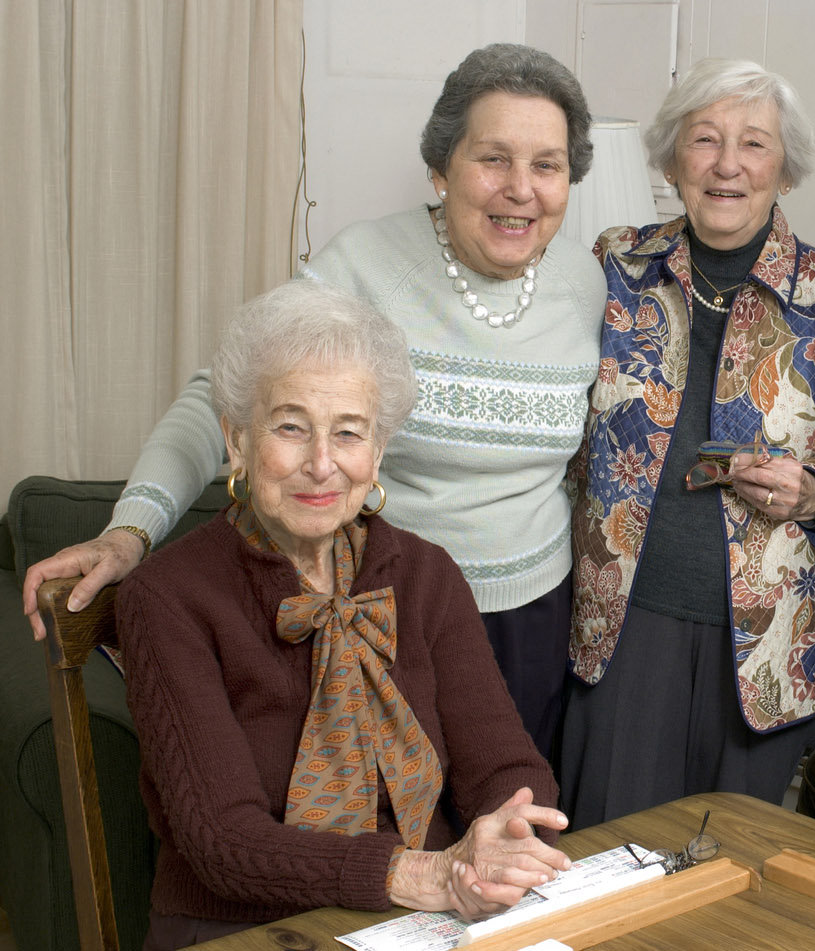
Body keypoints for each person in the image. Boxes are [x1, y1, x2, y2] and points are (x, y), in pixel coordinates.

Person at [22, 43, 607, 759]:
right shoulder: (362, 265)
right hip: (385, 607)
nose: (520, 188)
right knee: (389, 843)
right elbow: (222, 394)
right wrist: (129, 531)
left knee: (508, 820)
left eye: (546, 165)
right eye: (493, 158)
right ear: (439, 165)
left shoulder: (591, 284)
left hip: (537, 620)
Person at [117, 281, 570, 948]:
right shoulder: (167, 595)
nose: (321, 463)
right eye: (291, 426)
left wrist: (501, 838)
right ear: (237, 441)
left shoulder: (425, 574)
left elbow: (506, 765)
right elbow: (221, 840)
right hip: (240, 927)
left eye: (348, 432)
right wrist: (421, 874)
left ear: (377, 451)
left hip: (426, 920)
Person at [559, 58, 815, 828]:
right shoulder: (614, 267)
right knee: (605, 857)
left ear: (783, 170)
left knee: (731, 872)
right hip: (622, 623)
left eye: (754, 144)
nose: (727, 164)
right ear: (671, 162)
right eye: (703, 140)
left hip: (770, 641)